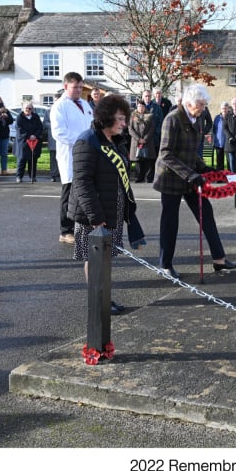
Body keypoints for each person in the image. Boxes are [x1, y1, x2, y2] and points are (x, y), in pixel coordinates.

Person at [153, 84, 236, 279]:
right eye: (201, 104)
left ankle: (219, 259)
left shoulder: (198, 119)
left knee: (206, 214)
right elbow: (166, 154)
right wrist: (192, 174)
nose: (203, 108)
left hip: (190, 177)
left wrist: (208, 170)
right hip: (170, 178)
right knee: (170, 222)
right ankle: (165, 264)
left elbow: (192, 153)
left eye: (204, 104)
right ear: (189, 103)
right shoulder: (172, 119)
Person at [67, 94, 135, 315]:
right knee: (94, 258)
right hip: (93, 213)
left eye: (125, 119)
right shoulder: (87, 140)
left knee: (105, 259)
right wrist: (96, 217)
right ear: (106, 118)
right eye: (120, 119)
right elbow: (82, 182)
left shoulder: (113, 141)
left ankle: (104, 297)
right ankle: (98, 301)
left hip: (111, 209)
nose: (124, 124)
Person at [50, 71, 94, 244]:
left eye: (81, 86)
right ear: (65, 86)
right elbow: (59, 132)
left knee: (85, 191)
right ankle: (65, 230)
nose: (78, 90)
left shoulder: (85, 103)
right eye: (75, 87)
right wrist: (82, 140)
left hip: (87, 154)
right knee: (69, 193)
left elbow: (92, 125)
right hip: (70, 155)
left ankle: (82, 225)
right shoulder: (59, 106)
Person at [15, 103, 44, 183]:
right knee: (21, 160)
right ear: (23, 109)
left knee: (33, 160)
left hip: (34, 141)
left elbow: (40, 127)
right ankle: (19, 176)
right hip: (23, 142)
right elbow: (19, 129)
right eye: (26, 108)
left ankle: (32, 176)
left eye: (29, 108)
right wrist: (28, 136)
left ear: (32, 109)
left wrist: (35, 135)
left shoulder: (36, 117)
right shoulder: (19, 117)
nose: (27, 110)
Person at [128, 98, 156, 183]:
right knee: (138, 160)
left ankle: (148, 177)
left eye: (142, 106)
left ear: (145, 107)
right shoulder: (133, 116)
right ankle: (139, 177)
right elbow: (130, 129)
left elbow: (152, 128)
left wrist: (145, 139)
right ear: (137, 106)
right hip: (136, 141)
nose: (141, 108)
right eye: (139, 106)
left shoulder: (150, 115)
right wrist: (138, 139)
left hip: (147, 141)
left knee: (148, 159)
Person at [0, 95, 14, 176]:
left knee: (4, 154)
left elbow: (11, 121)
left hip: (4, 134)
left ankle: (4, 169)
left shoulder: (6, 110)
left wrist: (7, 116)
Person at [211, 101, 230, 171]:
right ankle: (219, 177)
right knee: (219, 163)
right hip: (219, 143)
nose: (224, 110)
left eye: (225, 108)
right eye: (222, 108)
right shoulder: (217, 118)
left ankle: (230, 177)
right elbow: (214, 129)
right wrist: (214, 141)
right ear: (220, 109)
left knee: (229, 162)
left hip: (228, 143)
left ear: (228, 109)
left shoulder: (231, 117)